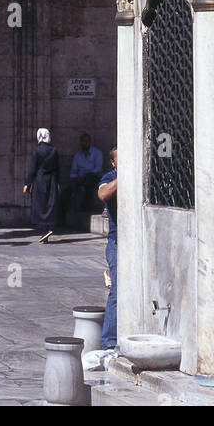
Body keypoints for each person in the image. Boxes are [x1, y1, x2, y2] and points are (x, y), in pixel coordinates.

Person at [97, 148, 119, 351]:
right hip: (116, 242)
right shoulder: (110, 177)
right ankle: (109, 341)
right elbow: (103, 193)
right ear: (113, 162)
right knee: (118, 292)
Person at [23, 127, 60, 243]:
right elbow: (58, 168)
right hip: (52, 180)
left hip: (40, 180)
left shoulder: (37, 151)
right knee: (50, 204)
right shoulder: (54, 150)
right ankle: (48, 229)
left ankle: (44, 230)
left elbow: (32, 169)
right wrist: (58, 182)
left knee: (40, 204)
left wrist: (27, 184)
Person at [67, 133, 104, 218]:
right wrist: (74, 178)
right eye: (83, 141)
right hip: (81, 178)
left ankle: (86, 208)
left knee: (89, 181)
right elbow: (74, 170)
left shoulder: (97, 153)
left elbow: (98, 169)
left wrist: (85, 175)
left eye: (86, 141)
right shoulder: (78, 155)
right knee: (69, 188)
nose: (84, 143)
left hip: (94, 177)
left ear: (90, 142)